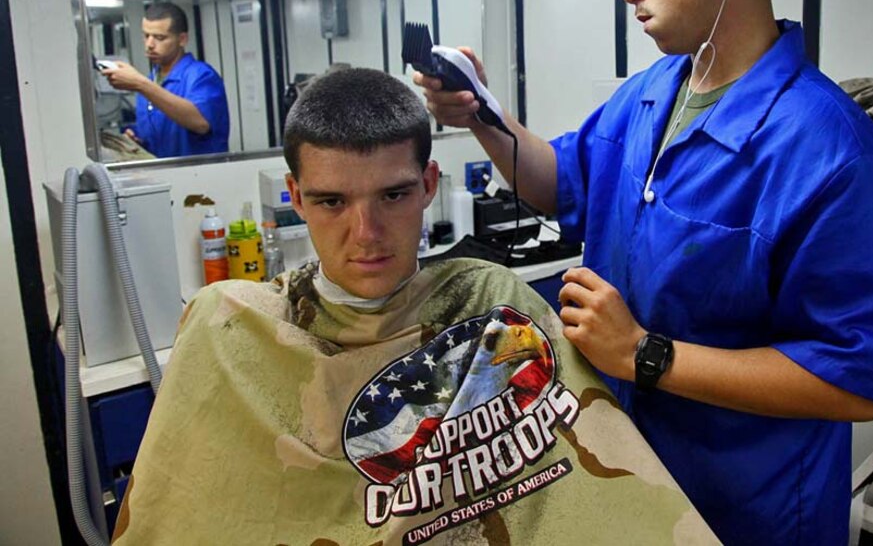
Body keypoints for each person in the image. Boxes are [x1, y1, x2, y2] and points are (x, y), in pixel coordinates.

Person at [415, 0, 873, 544]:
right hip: (630, 479)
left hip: (748, 512)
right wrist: (481, 114)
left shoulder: (830, 152)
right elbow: (557, 180)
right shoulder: (654, 91)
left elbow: (859, 381)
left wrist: (646, 355)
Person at [113, 68, 715, 544]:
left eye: (393, 195)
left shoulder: (489, 302)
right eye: (330, 202)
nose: (367, 232)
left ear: (429, 184)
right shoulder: (231, 324)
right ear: (293, 196)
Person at [100, 2, 229, 157]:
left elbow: (200, 123)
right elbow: (158, 132)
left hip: (199, 175)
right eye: (146, 36)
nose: (149, 45)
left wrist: (141, 85)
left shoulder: (201, 75)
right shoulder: (151, 80)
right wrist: (135, 136)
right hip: (162, 175)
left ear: (182, 39)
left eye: (159, 38)